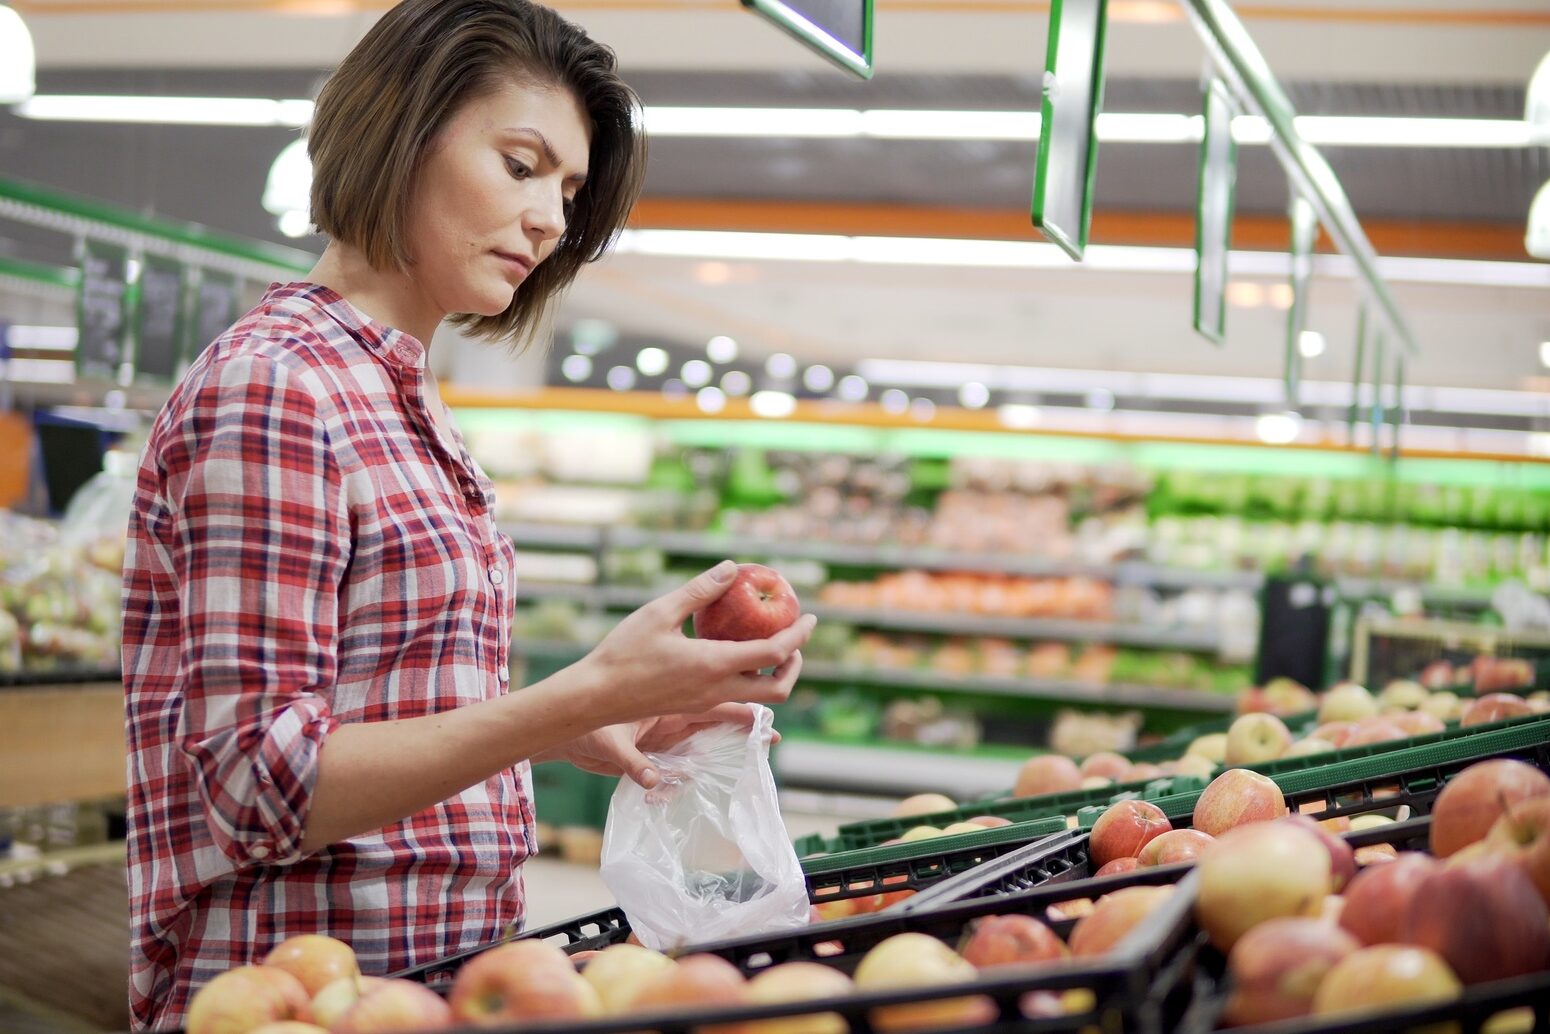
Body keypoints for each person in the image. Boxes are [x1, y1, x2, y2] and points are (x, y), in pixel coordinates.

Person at [120, 1, 815, 1026]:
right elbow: (260, 787)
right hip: (299, 993)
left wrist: (600, 717)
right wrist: (570, 698)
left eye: (569, 190)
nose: (550, 219)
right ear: (402, 128)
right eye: (522, 164)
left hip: (424, 980)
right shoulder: (279, 389)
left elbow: (376, 710)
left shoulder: (400, 395)